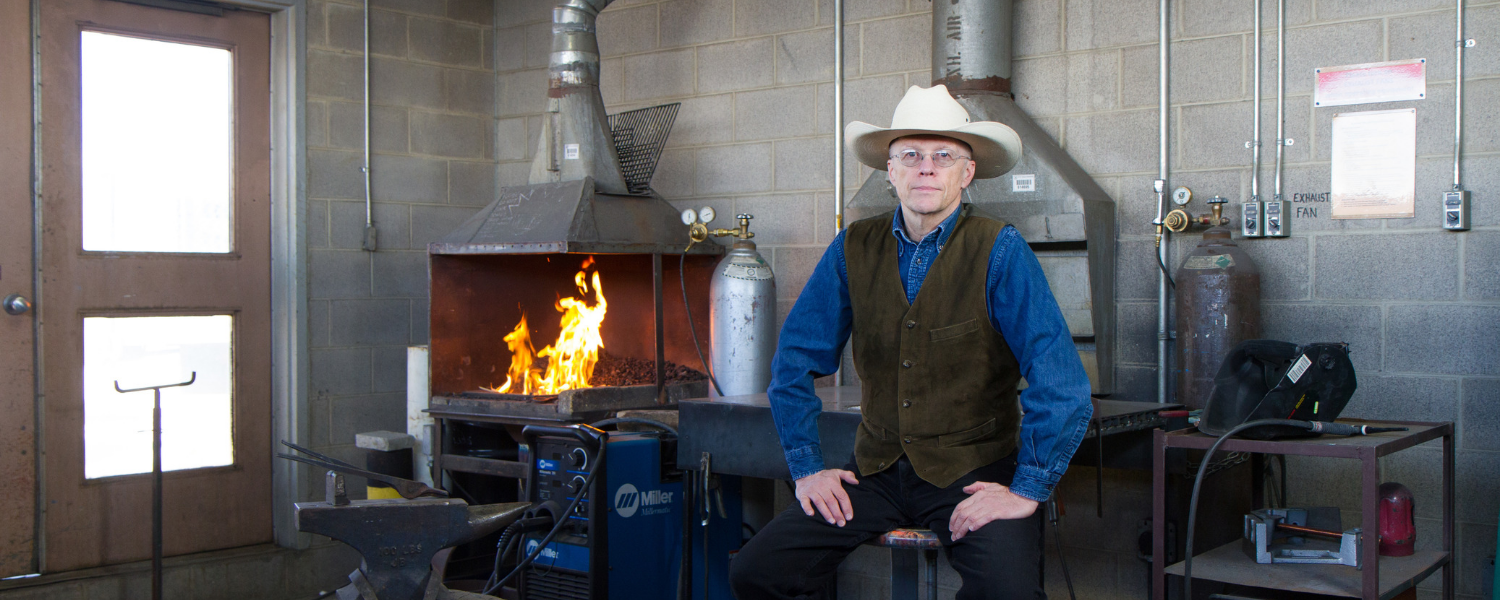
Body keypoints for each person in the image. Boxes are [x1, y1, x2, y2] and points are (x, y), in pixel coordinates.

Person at [728, 84, 1094, 600]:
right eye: (911, 155)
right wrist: (808, 468)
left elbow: (1061, 382)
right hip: (874, 473)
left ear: (966, 174)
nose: (927, 167)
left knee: (1010, 595)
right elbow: (792, 362)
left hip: (970, 474)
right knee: (758, 571)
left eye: (944, 155)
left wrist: (1026, 489)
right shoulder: (851, 248)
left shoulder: (1000, 250)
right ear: (890, 171)